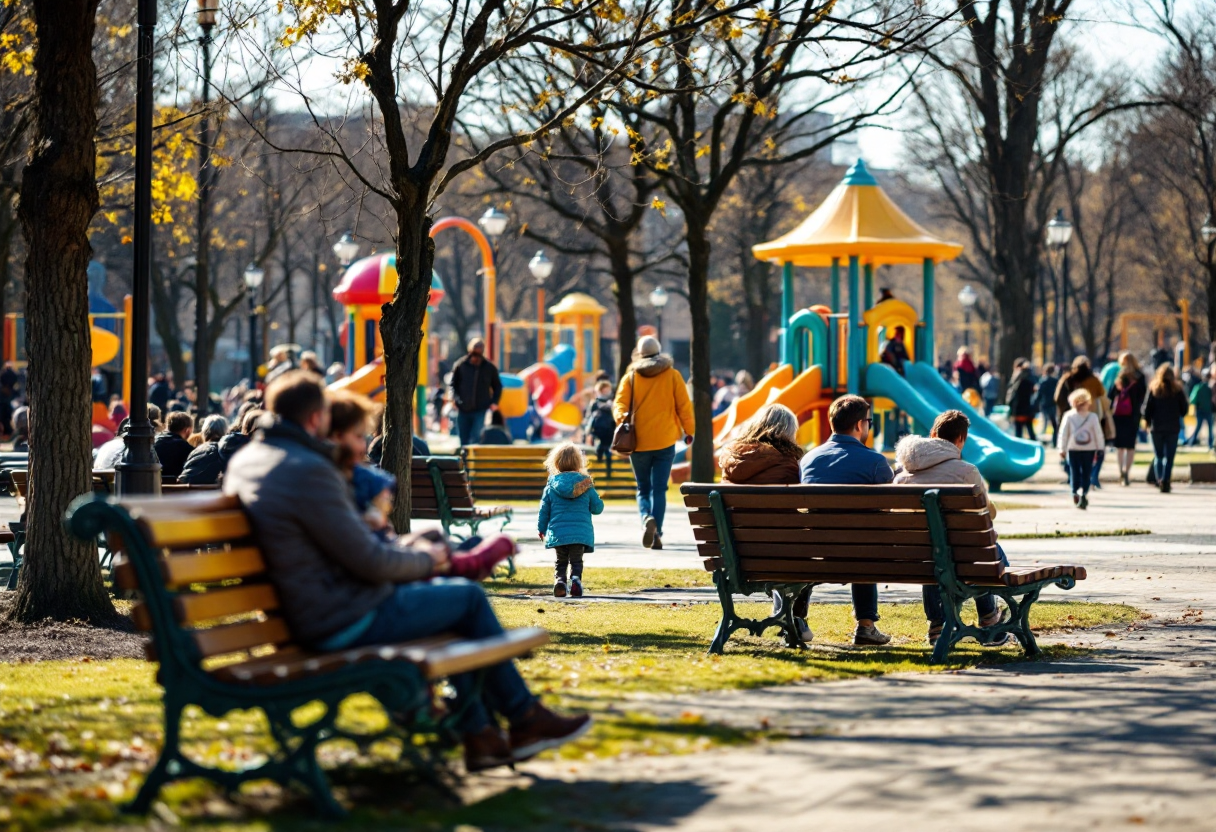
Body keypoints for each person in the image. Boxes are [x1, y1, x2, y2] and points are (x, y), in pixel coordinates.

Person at [223, 371, 589, 770]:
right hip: (338, 616)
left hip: (302, 611)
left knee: (448, 598)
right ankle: (521, 717)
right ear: (314, 418)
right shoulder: (306, 469)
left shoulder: (248, 460)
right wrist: (427, 560)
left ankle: (483, 733)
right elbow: (370, 562)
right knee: (464, 598)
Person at [893, 410, 1009, 646]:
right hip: (966, 554)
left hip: (917, 557)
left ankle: (938, 623)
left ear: (933, 434)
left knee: (933, 551)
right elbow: (986, 515)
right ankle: (989, 618)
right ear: (961, 439)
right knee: (982, 550)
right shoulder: (966, 472)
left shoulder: (902, 476)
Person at [799, 394, 893, 646]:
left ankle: (796, 618)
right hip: (862, 553)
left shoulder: (808, 460)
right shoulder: (876, 462)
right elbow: (887, 510)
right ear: (860, 425)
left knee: (858, 540)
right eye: (869, 422)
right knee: (865, 541)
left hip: (815, 551)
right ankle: (866, 626)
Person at [718, 403, 812, 644]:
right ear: (788, 432)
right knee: (807, 547)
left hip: (738, 554)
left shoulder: (730, 460)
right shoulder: (789, 464)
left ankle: (789, 616)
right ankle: (795, 618)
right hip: (780, 552)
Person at [612, 335, 695, 551]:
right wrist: (689, 431)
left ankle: (646, 519)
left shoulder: (631, 377)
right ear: (659, 351)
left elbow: (619, 404)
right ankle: (657, 531)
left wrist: (622, 418)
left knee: (643, 488)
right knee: (659, 489)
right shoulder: (673, 375)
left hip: (638, 442)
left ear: (639, 354)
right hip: (665, 441)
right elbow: (684, 406)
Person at [538, 443, 604, 599]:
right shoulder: (585, 484)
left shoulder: (551, 486)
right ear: (579, 462)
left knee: (560, 561)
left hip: (558, 533)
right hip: (580, 533)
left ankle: (560, 581)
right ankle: (575, 580)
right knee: (576, 561)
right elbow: (597, 508)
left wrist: (541, 528)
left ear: (556, 463)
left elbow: (544, 510)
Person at [1055, 356, 1112, 489]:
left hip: (1071, 416)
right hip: (1091, 415)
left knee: (1070, 447)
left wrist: (1065, 409)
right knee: (1092, 448)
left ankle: (1072, 477)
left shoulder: (1067, 379)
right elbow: (1102, 394)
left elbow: (1057, 397)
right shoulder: (1094, 380)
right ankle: (1092, 476)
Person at [1143, 363, 1189, 493]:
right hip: (1172, 428)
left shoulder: (1154, 389)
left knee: (1158, 456)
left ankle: (1159, 480)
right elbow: (1184, 409)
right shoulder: (1177, 390)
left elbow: (1147, 408)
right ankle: (1166, 480)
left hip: (1156, 427)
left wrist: (1147, 421)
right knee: (1170, 457)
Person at [449, 339, 503, 446]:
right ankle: (464, 456)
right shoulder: (460, 365)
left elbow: (497, 386)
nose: (475, 357)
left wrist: (494, 402)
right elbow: (452, 385)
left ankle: (473, 456)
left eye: (478, 354)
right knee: (463, 438)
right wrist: (454, 399)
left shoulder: (489, 368)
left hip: (480, 409)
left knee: (476, 437)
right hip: (462, 408)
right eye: (473, 354)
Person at [1058, 388, 1102, 509]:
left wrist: (1062, 448)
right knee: (1087, 473)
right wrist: (1100, 448)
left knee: (1074, 472)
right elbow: (1098, 434)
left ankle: (1075, 491)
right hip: (1089, 449)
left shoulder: (1069, 415)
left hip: (1073, 448)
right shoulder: (1092, 417)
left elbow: (1063, 433)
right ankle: (1084, 493)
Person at [1110, 352, 1146, 486]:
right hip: (1133, 415)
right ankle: (1127, 472)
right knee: (1130, 446)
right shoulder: (1140, 377)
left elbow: (1111, 394)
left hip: (1119, 415)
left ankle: (1120, 471)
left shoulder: (1120, 376)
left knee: (1119, 446)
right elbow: (1143, 395)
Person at [179, 414, 229, 485]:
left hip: (189, 490)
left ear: (204, 432)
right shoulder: (227, 451)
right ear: (225, 431)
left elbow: (184, 477)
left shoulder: (196, 451)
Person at [582, 380, 617, 477]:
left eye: (608, 390)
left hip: (610, 429)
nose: (607, 392)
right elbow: (589, 416)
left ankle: (608, 470)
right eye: (605, 390)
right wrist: (588, 429)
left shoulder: (612, 403)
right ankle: (600, 455)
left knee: (607, 448)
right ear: (600, 390)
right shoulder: (595, 403)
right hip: (599, 429)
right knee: (602, 446)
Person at [153, 411, 196, 480]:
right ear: (188, 430)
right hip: (174, 484)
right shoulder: (186, 448)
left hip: (152, 482)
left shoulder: (153, 441)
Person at [1005, 358, 1036, 440]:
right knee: (1030, 430)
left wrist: (1011, 408)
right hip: (1028, 408)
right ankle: (1035, 444)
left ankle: (1019, 446)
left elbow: (1013, 396)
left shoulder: (1017, 380)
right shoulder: (1031, 379)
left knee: (1019, 432)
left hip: (1019, 409)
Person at [1185, 367, 1214, 449]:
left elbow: (1192, 400)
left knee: (1200, 427)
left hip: (1201, 410)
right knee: (1209, 427)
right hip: (1206, 410)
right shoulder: (1209, 388)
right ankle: (1209, 444)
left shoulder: (1199, 387)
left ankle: (1192, 442)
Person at [1033, 364, 1059, 441]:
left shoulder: (1043, 381)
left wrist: (1034, 403)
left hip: (1044, 404)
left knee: (1044, 422)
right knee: (1054, 424)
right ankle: (1054, 440)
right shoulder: (1056, 381)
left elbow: (1039, 394)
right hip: (1053, 404)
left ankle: (1042, 439)